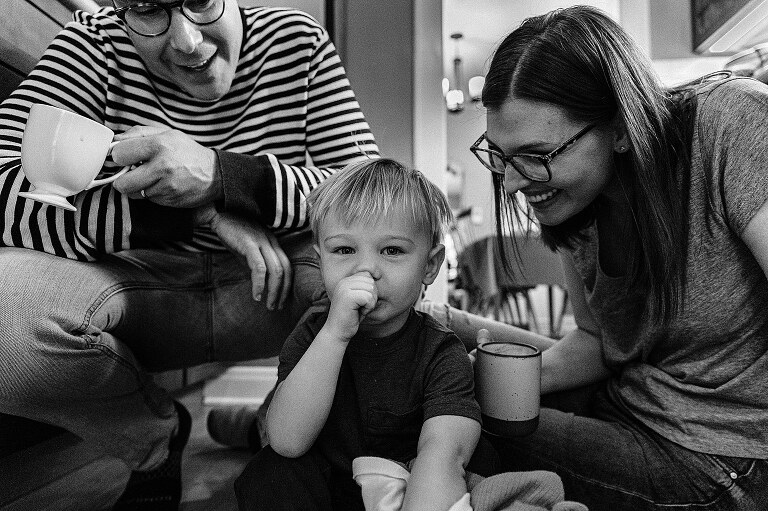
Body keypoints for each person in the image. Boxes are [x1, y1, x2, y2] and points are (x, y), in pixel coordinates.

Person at [0, 0, 378, 508]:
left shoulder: (298, 39)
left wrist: (223, 175)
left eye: (200, 1)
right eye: (146, 9)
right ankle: (152, 442)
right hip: (134, 285)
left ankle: (275, 423)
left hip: (275, 284)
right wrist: (199, 213)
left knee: (376, 282)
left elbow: (373, 199)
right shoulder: (90, 43)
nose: (187, 42)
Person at [467, 5, 768, 510]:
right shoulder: (574, 201)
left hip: (721, 454)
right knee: (434, 351)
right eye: (501, 157)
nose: (514, 182)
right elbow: (595, 342)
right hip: (630, 403)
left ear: (622, 127)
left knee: (450, 427)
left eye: (536, 155)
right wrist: (474, 379)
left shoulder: (732, 125)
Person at [233, 158, 482, 511]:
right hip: (328, 490)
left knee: (479, 459)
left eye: (392, 250)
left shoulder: (442, 352)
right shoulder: (312, 335)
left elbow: (441, 457)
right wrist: (334, 335)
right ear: (321, 262)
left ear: (429, 265)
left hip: (408, 488)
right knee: (268, 472)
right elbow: (288, 441)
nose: (366, 268)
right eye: (344, 250)